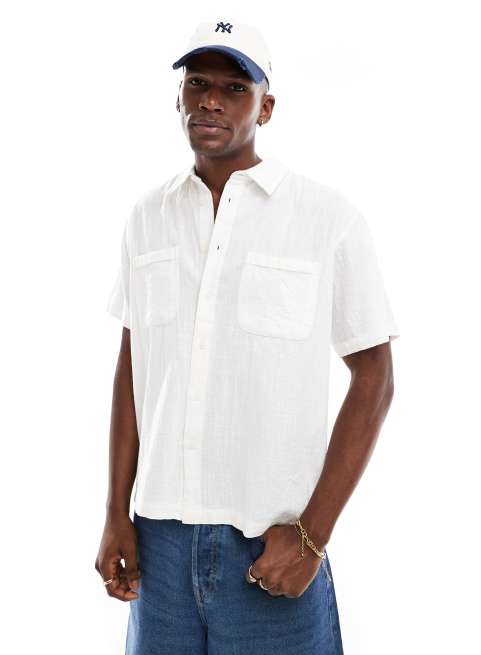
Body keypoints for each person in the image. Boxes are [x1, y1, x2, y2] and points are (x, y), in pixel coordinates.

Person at [95, 18, 400, 655]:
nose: (211, 100)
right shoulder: (147, 217)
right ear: (177, 97)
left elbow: (374, 378)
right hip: (158, 544)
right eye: (198, 83)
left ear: (266, 107)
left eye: (235, 88)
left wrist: (312, 537)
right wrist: (115, 514)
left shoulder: (326, 219)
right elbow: (133, 370)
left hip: (270, 543)